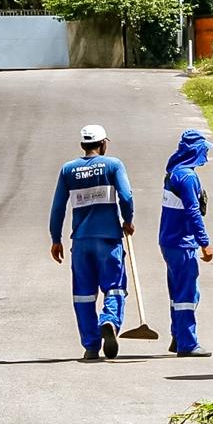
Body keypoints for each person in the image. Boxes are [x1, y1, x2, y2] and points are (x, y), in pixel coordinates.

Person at [49, 124, 135, 361]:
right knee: (115, 286)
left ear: (82, 145)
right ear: (103, 143)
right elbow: (126, 197)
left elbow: (58, 208)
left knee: (83, 295)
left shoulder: (68, 170)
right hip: (108, 239)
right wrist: (128, 220)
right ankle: (109, 320)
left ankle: (90, 345)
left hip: (81, 241)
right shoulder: (113, 165)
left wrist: (55, 239)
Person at [159, 129, 213, 358]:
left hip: (168, 242)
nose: (206, 154)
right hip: (182, 243)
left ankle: (177, 335)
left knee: (177, 293)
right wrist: (205, 243)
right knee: (187, 295)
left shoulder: (173, 172)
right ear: (195, 151)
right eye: (204, 149)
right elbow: (193, 212)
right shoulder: (188, 177)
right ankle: (188, 343)